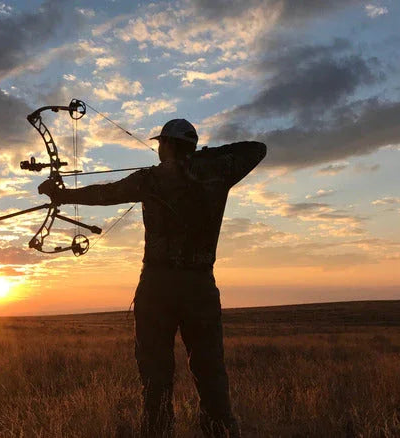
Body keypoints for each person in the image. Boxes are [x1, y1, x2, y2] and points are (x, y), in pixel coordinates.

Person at [39, 118, 266, 437]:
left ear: (170, 145)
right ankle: (220, 431)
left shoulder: (151, 179)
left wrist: (61, 196)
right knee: (210, 369)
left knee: (156, 374)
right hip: (200, 286)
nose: (158, 148)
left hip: (158, 287)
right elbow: (257, 149)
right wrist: (201, 157)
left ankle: (158, 430)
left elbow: (105, 194)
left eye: (162, 143)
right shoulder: (217, 171)